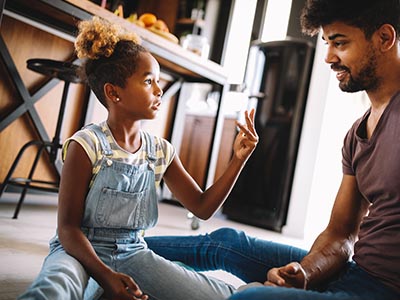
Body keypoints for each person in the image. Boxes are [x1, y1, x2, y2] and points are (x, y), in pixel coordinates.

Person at [144, 0, 400, 299]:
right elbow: (341, 234)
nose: (329, 57)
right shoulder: (357, 135)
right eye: (327, 43)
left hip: (382, 290)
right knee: (225, 242)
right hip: (355, 272)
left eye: (340, 43)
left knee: (249, 297)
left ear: (384, 38)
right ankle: (108, 251)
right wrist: (305, 271)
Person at [18, 16, 259, 300]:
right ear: (113, 92)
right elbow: (68, 229)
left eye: (158, 81)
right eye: (148, 82)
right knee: (55, 288)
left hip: (134, 254)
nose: (159, 90)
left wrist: (238, 159)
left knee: (223, 296)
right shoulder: (87, 144)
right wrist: (107, 277)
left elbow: (203, 207)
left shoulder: (160, 151)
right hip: (78, 252)